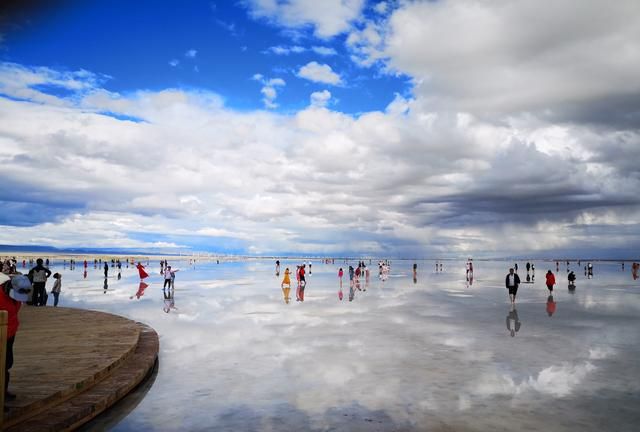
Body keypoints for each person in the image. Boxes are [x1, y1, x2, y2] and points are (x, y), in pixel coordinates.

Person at [1, 273, 32, 401]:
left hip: (10, 334)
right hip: (0, 335)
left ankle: (4, 391)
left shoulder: (16, 297)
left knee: (7, 363)